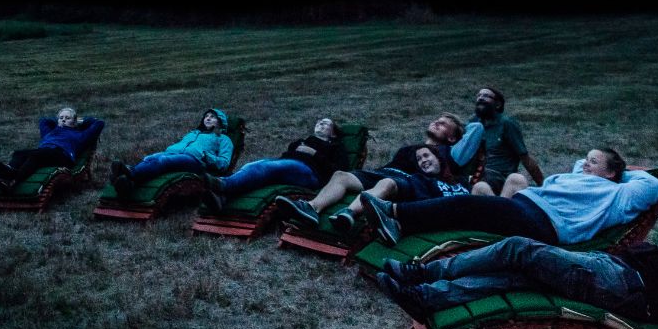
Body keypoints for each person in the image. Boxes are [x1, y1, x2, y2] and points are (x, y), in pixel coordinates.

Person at [369, 211, 658, 327]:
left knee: (520, 250)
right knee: (521, 276)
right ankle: (428, 299)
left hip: (628, 289)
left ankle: (423, 274)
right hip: (615, 269)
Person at [355, 147, 658, 248]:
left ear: (612, 173)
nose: (585, 163)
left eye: (593, 162)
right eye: (586, 158)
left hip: (546, 225)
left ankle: (394, 212)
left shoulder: (619, 192)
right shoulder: (577, 178)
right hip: (526, 207)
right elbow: (577, 169)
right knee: (469, 212)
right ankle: (401, 226)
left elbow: (653, 185)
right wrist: (591, 167)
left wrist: (623, 172)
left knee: (469, 206)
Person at [282, 114, 470, 231]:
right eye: (437, 120)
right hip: (382, 172)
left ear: (452, 137)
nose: (437, 123)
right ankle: (312, 208)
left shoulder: (449, 153)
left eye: (444, 124)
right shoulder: (411, 148)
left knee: (386, 182)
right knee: (341, 175)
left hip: (405, 182)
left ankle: (350, 213)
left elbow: (475, 132)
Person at [200, 117, 347, 213]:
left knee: (265, 168)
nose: (320, 123)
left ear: (333, 133)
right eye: (319, 121)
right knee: (254, 166)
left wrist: (314, 154)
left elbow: (340, 172)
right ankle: (223, 199)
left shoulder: (336, 147)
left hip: (311, 174)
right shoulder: (302, 141)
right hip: (290, 166)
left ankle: (223, 185)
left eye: (326, 123)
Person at [109, 108, 234, 192]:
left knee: (162, 161)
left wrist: (206, 156)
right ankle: (127, 182)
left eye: (212, 117)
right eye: (206, 116)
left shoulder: (223, 139)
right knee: (150, 158)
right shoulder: (194, 133)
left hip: (195, 161)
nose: (207, 118)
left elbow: (224, 164)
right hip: (173, 154)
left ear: (221, 122)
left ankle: (130, 174)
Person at [0, 107, 105, 192]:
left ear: (74, 122)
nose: (63, 119)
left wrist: (80, 121)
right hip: (44, 154)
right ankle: (8, 174)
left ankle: (14, 180)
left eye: (67, 118)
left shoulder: (80, 135)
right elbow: (43, 120)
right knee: (19, 153)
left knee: (37, 155)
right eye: (61, 117)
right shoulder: (50, 132)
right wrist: (57, 121)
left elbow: (99, 123)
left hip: (63, 156)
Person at [463, 87, 544, 195]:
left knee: (478, 185)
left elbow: (525, 158)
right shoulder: (473, 123)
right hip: (474, 173)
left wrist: (543, 185)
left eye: (486, 96)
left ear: (498, 104)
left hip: (498, 176)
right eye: (479, 96)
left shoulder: (506, 124)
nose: (481, 98)